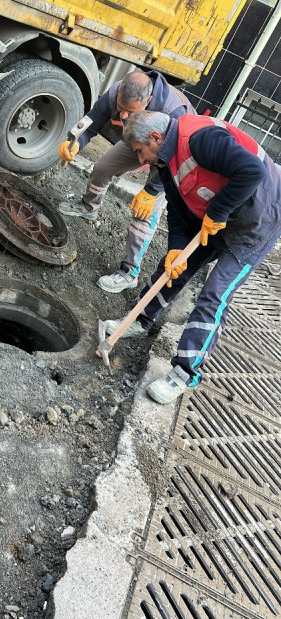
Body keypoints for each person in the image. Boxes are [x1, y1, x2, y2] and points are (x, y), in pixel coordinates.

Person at [102, 110, 281, 404]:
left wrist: (218, 212)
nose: (140, 159)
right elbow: (178, 210)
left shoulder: (200, 139)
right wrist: (176, 247)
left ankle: (184, 373)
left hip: (257, 220)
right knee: (174, 267)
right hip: (218, 211)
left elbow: (253, 171)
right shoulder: (165, 162)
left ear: (155, 138)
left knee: (214, 294)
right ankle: (140, 320)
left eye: (140, 150)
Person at [57, 70, 196, 293]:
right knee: (102, 167)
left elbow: (177, 158)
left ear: (148, 101)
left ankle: (129, 271)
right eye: (121, 108)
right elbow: (92, 122)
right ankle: (89, 207)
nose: (123, 115)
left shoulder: (175, 112)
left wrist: (151, 191)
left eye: (130, 111)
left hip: (171, 156)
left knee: (145, 210)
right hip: (139, 140)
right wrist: (76, 143)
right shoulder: (117, 93)